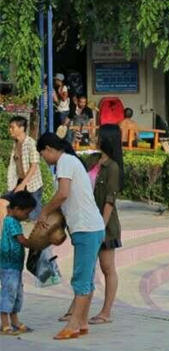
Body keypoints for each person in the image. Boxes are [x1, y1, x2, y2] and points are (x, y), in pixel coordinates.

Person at [37, 133, 105, 340]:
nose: (44, 159)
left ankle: (73, 324)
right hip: (91, 227)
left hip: (86, 228)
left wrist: (44, 211)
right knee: (87, 278)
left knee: (81, 279)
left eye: (42, 154)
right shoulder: (71, 161)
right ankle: (82, 322)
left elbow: (63, 193)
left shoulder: (65, 161)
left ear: (49, 149)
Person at [58, 125, 124, 325]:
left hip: (105, 224)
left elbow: (110, 200)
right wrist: (67, 139)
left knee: (107, 267)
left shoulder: (113, 167)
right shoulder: (93, 160)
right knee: (86, 267)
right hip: (87, 220)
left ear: (107, 139)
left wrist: (101, 226)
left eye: (98, 135)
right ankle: (75, 309)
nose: (94, 137)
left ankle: (106, 311)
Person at [0, 191, 36, 335]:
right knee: (9, 292)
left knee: (16, 293)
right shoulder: (11, 222)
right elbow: (21, 240)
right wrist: (35, 243)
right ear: (16, 209)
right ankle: (5, 323)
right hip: (9, 265)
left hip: (15, 265)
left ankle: (14, 321)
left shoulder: (14, 222)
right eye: (26, 213)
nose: (27, 216)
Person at [6, 116, 43, 220]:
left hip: (32, 185)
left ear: (21, 128)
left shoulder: (31, 143)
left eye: (12, 127)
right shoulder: (16, 143)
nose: (10, 130)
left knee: (34, 216)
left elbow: (34, 166)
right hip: (20, 182)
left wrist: (22, 185)